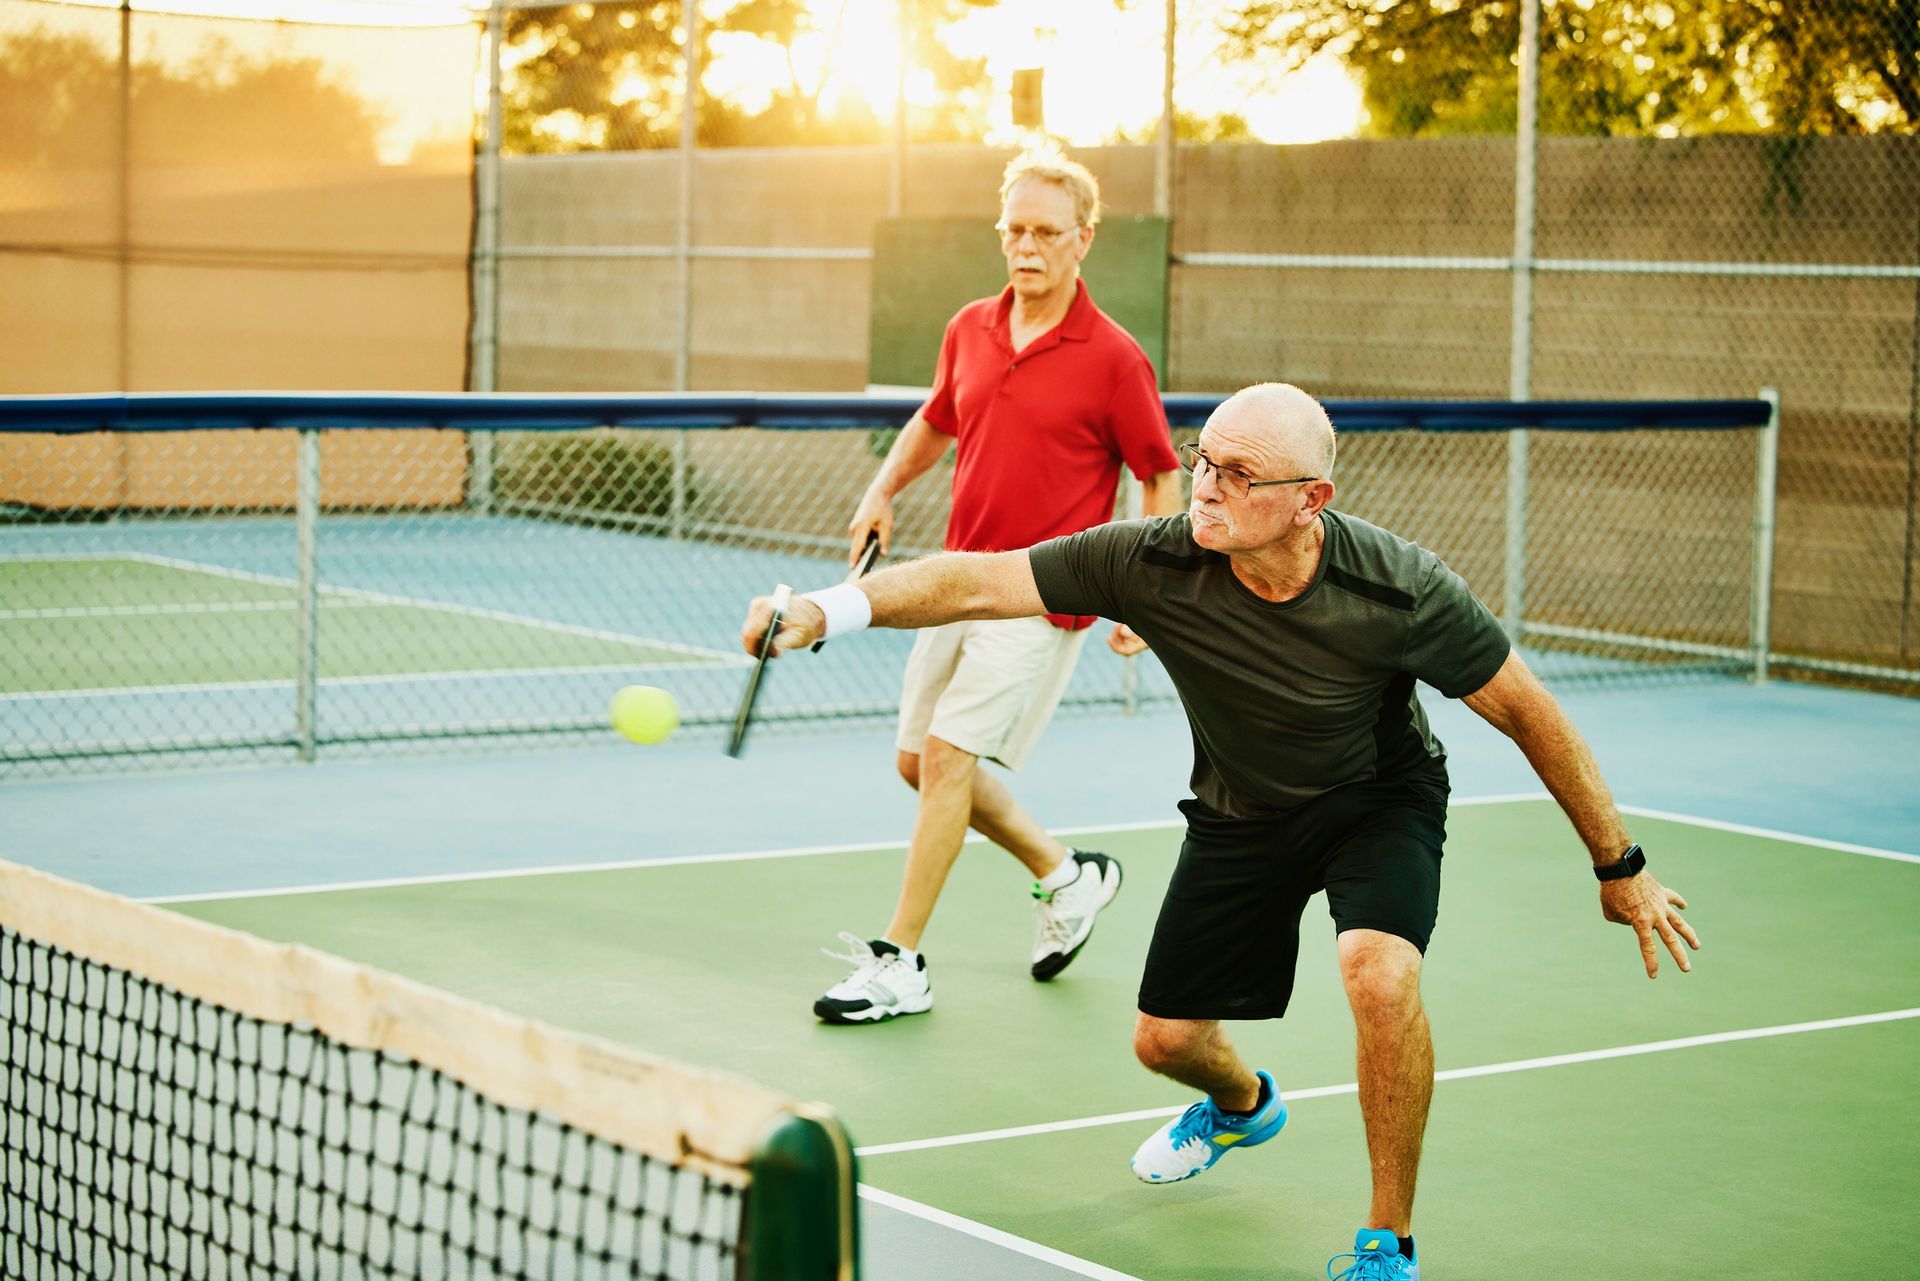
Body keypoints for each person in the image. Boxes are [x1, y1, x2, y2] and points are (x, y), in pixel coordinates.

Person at [743, 382, 1700, 1279]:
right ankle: (1243, 1105)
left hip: (1377, 801)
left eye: (1240, 475)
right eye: (1205, 461)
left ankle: (1387, 1241)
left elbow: (1533, 713)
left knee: (1379, 970)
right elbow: (978, 581)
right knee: (1163, 1043)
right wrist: (828, 608)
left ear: (1308, 498)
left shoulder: (1401, 589)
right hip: (1241, 811)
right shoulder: (1152, 559)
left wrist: (1620, 865)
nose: (1207, 485)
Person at [814, 144, 1182, 1026]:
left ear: (1083, 239)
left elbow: (1159, 476)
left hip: (1041, 594)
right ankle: (1067, 874)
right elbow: (938, 417)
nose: (1027, 246)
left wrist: (1144, 591)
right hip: (953, 578)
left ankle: (900, 960)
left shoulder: (1116, 358)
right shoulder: (969, 325)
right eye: (1013, 229)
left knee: (947, 760)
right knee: (919, 764)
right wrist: (880, 489)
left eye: (1046, 231)